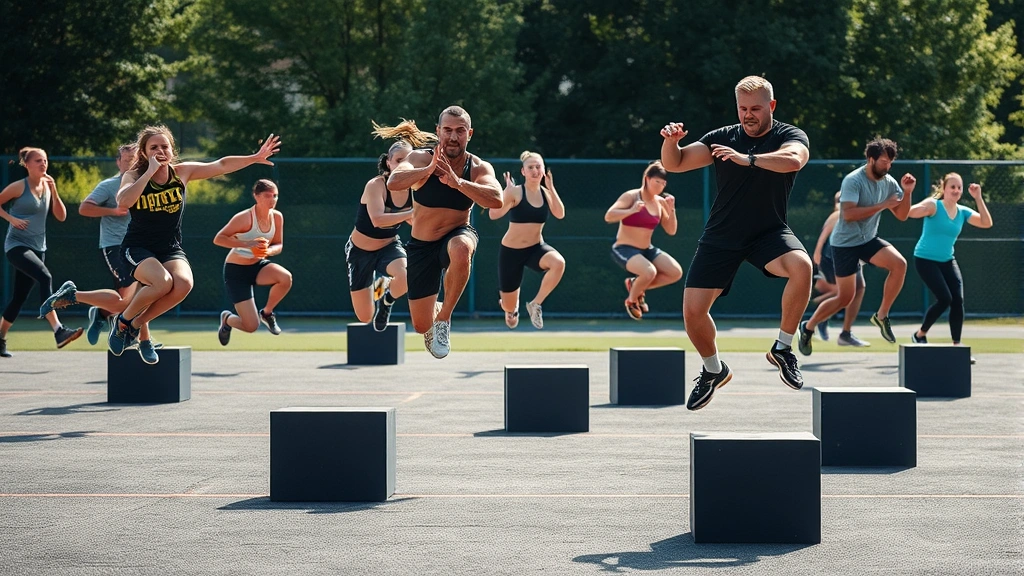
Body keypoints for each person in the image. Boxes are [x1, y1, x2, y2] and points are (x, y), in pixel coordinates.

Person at [660, 75, 812, 411]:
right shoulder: (722, 138)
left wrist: (749, 159)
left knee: (802, 267)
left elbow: (794, 159)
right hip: (722, 236)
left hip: (768, 232)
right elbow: (677, 162)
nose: (748, 115)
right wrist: (671, 141)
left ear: (771, 106)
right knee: (693, 313)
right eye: (743, 108)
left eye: (756, 108)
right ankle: (713, 370)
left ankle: (783, 348)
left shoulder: (789, 135)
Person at [105, 125, 279, 363]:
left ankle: (132, 323)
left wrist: (255, 158)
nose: (160, 151)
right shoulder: (134, 175)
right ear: (144, 153)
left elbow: (221, 165)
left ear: (172, 150)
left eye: (164, 146)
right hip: (137, 248)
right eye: (153, 147)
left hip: (169, 247)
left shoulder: (181, 172)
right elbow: (123, 200)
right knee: (162, 283)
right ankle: (124, 321)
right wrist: (148, 173)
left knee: (184, 284)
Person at [387, 105, 503, 359]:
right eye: (447, 130)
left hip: (458, 232)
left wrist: (458, 182)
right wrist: (426, 172)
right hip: (422, 246)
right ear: (438, 131)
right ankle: (431, 321)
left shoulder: (477, 167)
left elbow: (496, 199)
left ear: (469, 133)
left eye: (460, 131)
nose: (453, 136)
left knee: (462, 249)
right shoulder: (421, 158)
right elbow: (393, 181)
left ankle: (444, 318)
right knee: (419, 325)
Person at [798, 138, 915, 356]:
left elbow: (902, 215)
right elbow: (849, 214)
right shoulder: (853, 180)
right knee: (845, 298)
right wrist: (882, 205)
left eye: (890, 162)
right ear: (871, 159)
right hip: (844, 245)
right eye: (883, 162)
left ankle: (882, 315)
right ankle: (808, 327)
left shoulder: (889, 182)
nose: (887, 166)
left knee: (899, 264)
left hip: (868, 240)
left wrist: (907, 193)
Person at [64, 144, 158, 353]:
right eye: (126, 160)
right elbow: (84, 208)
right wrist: (114, 210)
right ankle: (144, 340)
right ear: (118, 162)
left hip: (139, 248)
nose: (131, 163)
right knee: (132, 298)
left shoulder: (146, 184)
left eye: (134, 160)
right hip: (115, 246)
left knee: (134, 298)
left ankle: (102, 314)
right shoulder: (109, 185)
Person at [346, 121, 434, 331]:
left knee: (407, 274)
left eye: (408, 161)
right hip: (360, 251)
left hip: (389, 246)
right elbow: (377, 219)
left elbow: (416, 222)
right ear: (388, 163)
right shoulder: (376, 185)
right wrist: (411, 214)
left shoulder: (415, 191)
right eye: (398, 161)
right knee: (365, 317)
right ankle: (380, 285)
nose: (403, 165)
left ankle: (386, 301)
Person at [0, 147, 82, 357]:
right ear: (26, 164)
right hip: (16, 246)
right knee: (46, 277)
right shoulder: (18, 187)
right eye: (37, 161)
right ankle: (59, 331)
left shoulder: (47, 186)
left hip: (38, 248)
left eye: (45, 160)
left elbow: (61, 216)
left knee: (19, 297)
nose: (43, 164)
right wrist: (12, 219)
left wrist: (54, 190)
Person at [907, 173, 992, 361]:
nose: (956, 190)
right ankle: (920, 334)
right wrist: (907, 193)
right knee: (944, 298)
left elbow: (986, 223)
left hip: (947, 260)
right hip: (925, 259)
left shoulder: (963, 212)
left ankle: (956, 344)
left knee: (957, 300)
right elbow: (909, 212)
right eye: (952, 187)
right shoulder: (933, 205)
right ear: (943, 188)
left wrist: (978, 197)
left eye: (959, 188)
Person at [488, 150, 566, 329]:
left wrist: (551, 187)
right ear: (523, 172)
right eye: (530, 167)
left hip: (536, 249)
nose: (535, 170)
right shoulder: (515, 192)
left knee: (558, 263)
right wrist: (504, 194)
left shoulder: (546, 193)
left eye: (538, 167)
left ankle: (535, 304)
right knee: (509, 307)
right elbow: (493, 214)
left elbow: (560, 214)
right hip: (511, 253)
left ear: (543, 170)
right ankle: (511, 308)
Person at [214, 179, 292, 345]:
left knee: (285, 278)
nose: (273, 200)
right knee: (251, 326)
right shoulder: (244, 218)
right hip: (236, 271)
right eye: (267, 196)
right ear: (256, 196)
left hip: (257, 267)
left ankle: (267, 313)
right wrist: (247, 244)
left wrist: (267, 251)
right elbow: (219, 239)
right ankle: (227, 319)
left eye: (275, 196)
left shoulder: (277, 217)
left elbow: (279, 244)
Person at [604, 161, 682, 320]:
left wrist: (672, 209)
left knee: (675, 273)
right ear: (647, 179)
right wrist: (631, 210)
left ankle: (635, 286)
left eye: (663, 183)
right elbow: (609, 216)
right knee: (649, 272)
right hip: (624, 248)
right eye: (657, 182)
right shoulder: (631, 196)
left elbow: (671, 230)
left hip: (647, 249)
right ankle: (632, 301)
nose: (660, 186)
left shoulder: (660, 202)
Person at [808, 191, 871, 347]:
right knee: (844, 294)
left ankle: (842, 331)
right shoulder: (838, 214)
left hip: (849, 258)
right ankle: (815, 322)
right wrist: (817, 254)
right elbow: (823, 237)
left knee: (857, 289)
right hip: (836, 259)